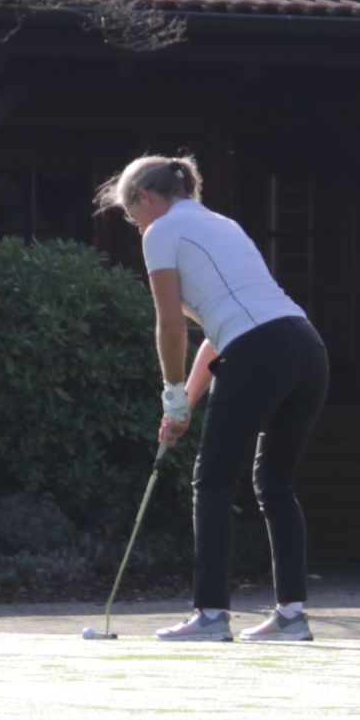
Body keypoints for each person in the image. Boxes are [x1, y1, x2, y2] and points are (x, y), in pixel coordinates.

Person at [93, 154, 330, 642]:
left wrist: (171, 393)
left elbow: (171, 325)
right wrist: (183, 407)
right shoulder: (222, 225)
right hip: (306, 346)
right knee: (275, 483)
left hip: (260, 351)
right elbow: (216, 331)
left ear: (145, 198)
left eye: (130, 213)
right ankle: (291, 617)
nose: (133, 224)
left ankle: (211, 615)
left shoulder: (160, 232)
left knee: (213, 481)